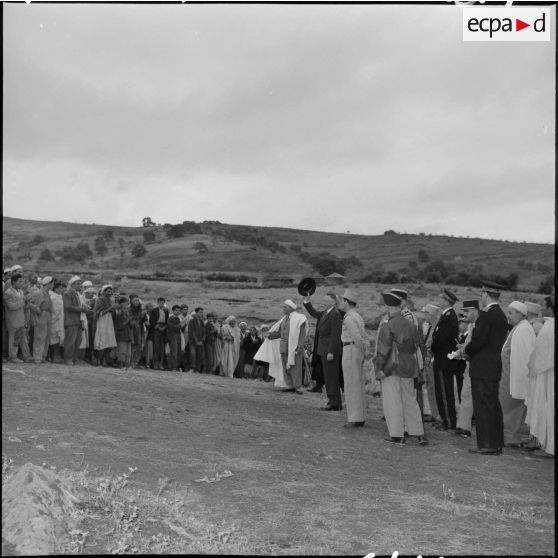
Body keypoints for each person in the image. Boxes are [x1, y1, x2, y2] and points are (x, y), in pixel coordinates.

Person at [374, 292, 427, 445]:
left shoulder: (387, 325)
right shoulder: (410, 323)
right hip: (409, 366)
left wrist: (379, 368)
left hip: (392, 366)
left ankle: (397, 434)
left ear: (389, 307)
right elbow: (417, 343)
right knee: (410, 400)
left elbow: (383, 350)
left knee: (393, 401)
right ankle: (418, 433)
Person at [463, 281, 509, 456]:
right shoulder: (500, 315)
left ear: (486, 294)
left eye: (482, 294)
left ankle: (487, 445)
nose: (481, 297)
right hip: (492, 367)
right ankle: (495, 444)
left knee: (483, 407)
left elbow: (479, 341)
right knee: (492, 406)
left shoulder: (487, 315)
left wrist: (465, 351)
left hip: (482, 368)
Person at [500, 301, 536, 448]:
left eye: (511, 313)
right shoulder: (519, 328)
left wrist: (520, 381)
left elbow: (524, 359)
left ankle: (513, 437)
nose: (508, 316)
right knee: (507, 407)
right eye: (507, 312)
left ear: (521, 315)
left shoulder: (523, 330)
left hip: (514, 377)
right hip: (508, 375)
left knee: (512, 408)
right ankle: (510, 436)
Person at [302, 291, 342, 409]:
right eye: (324, 301)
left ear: (334, 302)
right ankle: (333, 401)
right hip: (323, 350)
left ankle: (334, 403)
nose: (323, 303)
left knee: (331, 378)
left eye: (326, 301)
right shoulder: (326, 312)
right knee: (328, 377)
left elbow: (335, 335)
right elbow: (314, 313)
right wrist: (307, 301)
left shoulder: (335, 314)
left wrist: (331, 351)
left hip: (329, 352)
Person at [525, 295, 554, 456]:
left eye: (545, 306)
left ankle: (549, 446)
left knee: (547, 408)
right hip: (548, 373)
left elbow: (540, 355)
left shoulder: (549, 327)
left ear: (550, 308)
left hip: (547, 376)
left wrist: (532, 367)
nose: (542, 309)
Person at [430, 288, 460, 431]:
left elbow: (440, 339)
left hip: (443, 360)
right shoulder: (446, 315)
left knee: (444, 392)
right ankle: (445, 418)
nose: (439, 299)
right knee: (442, 390)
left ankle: (448, 421)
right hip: (442, 359)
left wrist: (432, 349)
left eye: (441, 297)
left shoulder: (449, 317)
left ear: (446, 301)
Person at [267, 300, 308, 394]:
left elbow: (302, 333)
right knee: (286, 366)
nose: (283, 309)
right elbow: (279, 333)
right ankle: (289, 385)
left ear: (290, 308)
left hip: (294, 346)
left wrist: (300, 347)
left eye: (285, 307)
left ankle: (297, 386)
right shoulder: (284, 319)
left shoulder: (299, 318)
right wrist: (270, 336)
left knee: (295, 366)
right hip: (283, 346)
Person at [340, 289, 367, 427]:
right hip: (355, 350)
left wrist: (361, 351)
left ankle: (355, 418)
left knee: (351, 384)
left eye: (342, 300)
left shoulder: (349, 317)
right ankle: (360, 416)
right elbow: (363, 337)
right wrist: (363, 352)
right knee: (358, 383)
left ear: (346, 301)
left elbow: (357, 337)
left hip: (350, 350)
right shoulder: (358, 316)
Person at [454, 300, 480, 438]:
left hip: (477, 365)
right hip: (469, 365)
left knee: (475, 397)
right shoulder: (473, 326)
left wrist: (464, 351)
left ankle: (467, 427)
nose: (464, 314)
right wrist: (462, 350)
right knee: (465, 395)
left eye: (467, 311)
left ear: (474, 311)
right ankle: (463, 426)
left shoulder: (480, 326)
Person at [4, 273, 33, 363]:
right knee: (13, 339)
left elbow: (23, 305)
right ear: (13, 282)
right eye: (19, 281)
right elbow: (11, 306)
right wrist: (24, 301)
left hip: (21, 318)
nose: (21, 283)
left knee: (23, 338)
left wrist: (27, 302)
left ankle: (27, 356)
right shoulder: (8, 293)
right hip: (13, 319)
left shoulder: (20, 292)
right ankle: (12, 357)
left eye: (22, 281)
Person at [63, 276, 89, 366]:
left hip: (78, 320)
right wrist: (81, 309)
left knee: (78, 341)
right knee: (70, 341)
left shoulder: (78, 294)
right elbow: (68, 306)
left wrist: (85, 309)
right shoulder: (67, 293)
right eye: (78, 284)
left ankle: (74, 358)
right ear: (73, 284)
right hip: (71, 320)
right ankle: (68, 359)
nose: (80, 286)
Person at [27, 276, 54, 363]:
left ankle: (43, 356)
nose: (53, 285)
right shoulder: (38, 293)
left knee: (47, 337)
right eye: (52, 283)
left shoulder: (48, 293)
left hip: (47, 315)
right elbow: (29, 303)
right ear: (49, 284)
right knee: (40, 336)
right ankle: (37, 357)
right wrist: (38, 311)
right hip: (41, 315)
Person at [93, 285, 118, 367]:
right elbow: (99, 313)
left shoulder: (110, 301)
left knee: (108, 341)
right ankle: (99, 360)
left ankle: (105, 360)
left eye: (111, 291)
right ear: (104, 292)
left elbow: (112, 312)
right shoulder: (100, 300)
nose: (110, 293)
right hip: (102, 321)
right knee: (102, 340)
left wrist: (114, 308)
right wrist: (111, 308)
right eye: (108, 291)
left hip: (109, 322)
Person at [149, 297, 169, 370]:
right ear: (158, 302)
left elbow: (167, 321)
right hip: (156, 329)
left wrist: (164, 327)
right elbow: (151, 320)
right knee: (156, 347)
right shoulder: (154, 310)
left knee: (162, 348)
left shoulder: (166, 311)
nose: (161, 304)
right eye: (160, 302)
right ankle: (155, 364)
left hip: (163, 329)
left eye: (163, 302)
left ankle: (161, 364)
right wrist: (156, 326)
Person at [48, 282, 65, 363]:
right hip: (54, 320)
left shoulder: (60, 297)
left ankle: (57, 357)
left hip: (60, 321)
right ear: (56, 289)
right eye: (61, 288)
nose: (62, 289)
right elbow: (55, 310)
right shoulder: (53, 297)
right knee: (53, 339)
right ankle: (52, 357)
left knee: (58, 339)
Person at [129, 294, 147, 368]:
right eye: (135, 300)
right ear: (131, 301)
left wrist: (144, 317)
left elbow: (144, 319)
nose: (137, 302)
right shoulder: (129, 309)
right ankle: (130, 362)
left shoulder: (140, 309)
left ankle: (136, 362)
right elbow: (130, 319)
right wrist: (140, 315)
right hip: (132, 330)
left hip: (140, 329)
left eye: (138, 300)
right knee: (132, 346)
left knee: (139, 346)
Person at [114, 296, 133, 369]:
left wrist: (131, 322)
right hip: (122, 336)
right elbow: (119, 327)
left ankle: (127, 364)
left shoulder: (127, 315)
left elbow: (131, 326)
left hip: (128, 336)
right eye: (125, 308)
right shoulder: (119, 315)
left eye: (127, 308)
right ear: (121, 309)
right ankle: (120, 363)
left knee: (128, 352)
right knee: (122, 351)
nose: (126, 310)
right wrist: (127, 321)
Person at [188, 307, 206, 373]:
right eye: (200, 312)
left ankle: (197, 369)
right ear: (196, 312)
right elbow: (191, 332)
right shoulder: (191, 321)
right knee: (193, 354)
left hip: (200, 342)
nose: (201, 314)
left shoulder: (201, 322)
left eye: (202, 312)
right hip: (193, 342)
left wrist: (202, 340)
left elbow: (204, 332)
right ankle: (192, 368)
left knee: (200, 355)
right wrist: (196, 341)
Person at [166, 305, 183, 371]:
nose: (178, 312)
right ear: (173, 311)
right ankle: (174, 367)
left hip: (178, 335)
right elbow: (172, 327)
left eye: (179, 310)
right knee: (174, 352)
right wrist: (180, 325)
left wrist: (182, 325)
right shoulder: (170, 318)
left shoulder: (179, 318)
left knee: (178, 351)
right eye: (176, 310)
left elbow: (181, 328)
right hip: (172, 336)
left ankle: (176, 366)